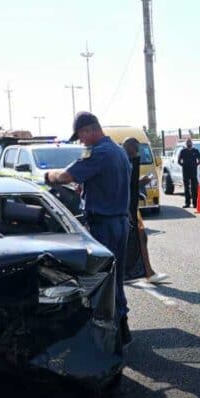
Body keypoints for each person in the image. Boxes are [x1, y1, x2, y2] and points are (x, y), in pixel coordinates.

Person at [44, 112, 133, 344]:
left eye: (81, 136)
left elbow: (65, 176)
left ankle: (111, 336)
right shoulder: (118, 151)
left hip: (104, 224)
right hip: (120, 222)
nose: (81, 142)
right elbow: (107, 181)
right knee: (115, 279)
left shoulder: (99, 153)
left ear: (89, 130)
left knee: (103, 281)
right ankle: (122, 327)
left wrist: (48, 176)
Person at [122, 137, 168, 284]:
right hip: (125, 208)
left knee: (139, 238)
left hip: (130, 207)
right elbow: (124, 184)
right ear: (129, 147)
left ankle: (138, 273)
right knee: (138, 238)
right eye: (136, 149)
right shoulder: (124, 162)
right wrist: (141, 181)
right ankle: (146, 273)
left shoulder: (128, 161)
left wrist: (140, 181)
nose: (138, 152)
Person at [177, 138, 200, 209]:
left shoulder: (196, 151)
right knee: (186, 188)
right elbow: (179, 161)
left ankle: (195, 203)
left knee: (194, 188)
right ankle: (187, 203)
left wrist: (195, 165)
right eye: (187, 142)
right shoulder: (183, 151)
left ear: (192, 143)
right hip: (185, 172)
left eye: (190, 142)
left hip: (193, 172)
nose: (189, 143)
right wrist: (184, 165)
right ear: (186, 143)